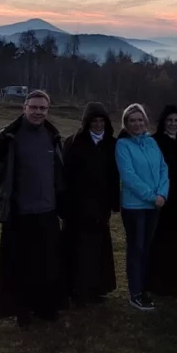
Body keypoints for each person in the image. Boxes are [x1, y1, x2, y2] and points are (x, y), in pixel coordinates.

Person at [0, 89, 67, 327]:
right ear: (24, 107)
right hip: (19, 212)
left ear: (48, 110)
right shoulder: (9, 137)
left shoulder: (52, 136)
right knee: (20, 266)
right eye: (33, 107)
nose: (38, 112)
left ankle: (45, 307)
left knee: (47, 265)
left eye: (43, 108)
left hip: (48, 211)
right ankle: (22, 311)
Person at [61, 102, 120, 306]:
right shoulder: (73, 142)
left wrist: (114, 202)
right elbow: (64, 175)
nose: (97, 124)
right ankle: (76, 290)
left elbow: (114, 175)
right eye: (93, 121)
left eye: (101, 120)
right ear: (87, 123)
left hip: (100, 205)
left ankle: (97, 287)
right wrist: (65, 204)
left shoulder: (112, 144)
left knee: (98, 248)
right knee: (76, 249)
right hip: (76, 206)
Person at [115, 103, 169, 311]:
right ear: (126, 124)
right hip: (135, 207)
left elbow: (163, 168)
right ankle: (135, 293)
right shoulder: (123, 145)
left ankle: (144, 287)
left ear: (145, 121)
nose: (136, 123)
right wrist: (151, 196)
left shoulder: (152, 143)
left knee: (146, 248)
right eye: (132, 120)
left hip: (154, 205)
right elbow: (128, 176)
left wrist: (162, 193)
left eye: (140, 120)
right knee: (136, 249)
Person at [145, 104, 177, 297]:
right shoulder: (154, 142)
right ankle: (157, 284)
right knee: (158, 243)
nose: (173, 124)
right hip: (160, 201)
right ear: (163, 122)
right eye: (170, 120)